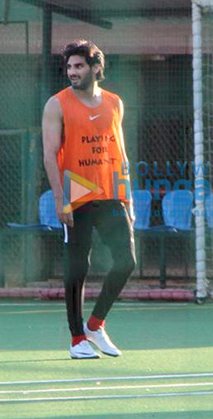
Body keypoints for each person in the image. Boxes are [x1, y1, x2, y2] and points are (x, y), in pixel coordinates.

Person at [42, 40, 135, 359]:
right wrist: (60, 198)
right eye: (69, 67)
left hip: (110, 192)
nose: (72, 72)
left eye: (79, 66)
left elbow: (119, 151)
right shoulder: (57, 104)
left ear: (96, 68)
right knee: (77, 268)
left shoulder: (114, 103)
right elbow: (50, 155)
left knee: (126, 261)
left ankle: (95, 324)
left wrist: (129, 197)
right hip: (76, 190)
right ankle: (77, 338)